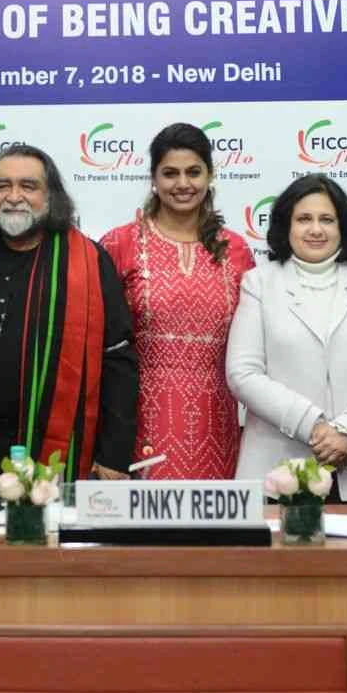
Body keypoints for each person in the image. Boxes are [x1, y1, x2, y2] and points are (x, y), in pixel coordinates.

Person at [0, 144, 139, 485]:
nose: (14, 197)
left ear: (50, 196)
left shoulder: (89, 262)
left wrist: (114, 453)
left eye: (28, 186)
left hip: (49, 448)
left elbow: (118, 359)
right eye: (2, 186)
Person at [225, 174, 347, 500]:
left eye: (327, 219)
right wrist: (314, 426)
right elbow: (243, 373)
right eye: (304, 219)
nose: (315, 229)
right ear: (286, 225)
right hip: (278, 467)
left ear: (343, 226)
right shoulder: (259, 283)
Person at [100, 123, 255, 478]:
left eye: (193, 172)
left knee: (213, 515)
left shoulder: (236, 250)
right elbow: (102, 349)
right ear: (153, 179)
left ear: (210, 175)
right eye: (170, 173)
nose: (183, 183)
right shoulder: (120, 244)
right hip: (138, 422)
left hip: (217, 423)